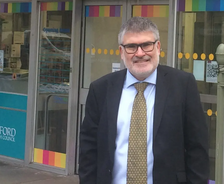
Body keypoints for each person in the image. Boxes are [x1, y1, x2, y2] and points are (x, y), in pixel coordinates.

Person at [79, 17, 209, 184]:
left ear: (158, 47)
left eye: (146, 45)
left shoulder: (183, 85)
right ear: (121, 51)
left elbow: (197, 148)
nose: (140, 53)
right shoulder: (101, 89)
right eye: (131, 47)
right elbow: (88, 149)